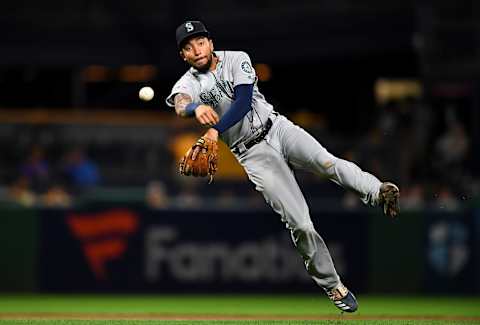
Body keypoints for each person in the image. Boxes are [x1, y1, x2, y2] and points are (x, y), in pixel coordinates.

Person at [166, 20, 400, 313]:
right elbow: (179, 102)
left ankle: (378, 192)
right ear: (183, 55)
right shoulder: (188, 82)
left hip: (277, 128)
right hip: (253, 155)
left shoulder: (237, 58)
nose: (196, 49)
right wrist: (193, 107)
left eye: (200, 42)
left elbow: (242, 102)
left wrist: (214, 130)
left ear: (210, 43)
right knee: (300, 223)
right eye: (188, 47)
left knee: (327, 162)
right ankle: (332, 285)